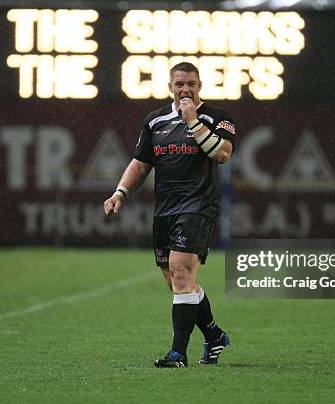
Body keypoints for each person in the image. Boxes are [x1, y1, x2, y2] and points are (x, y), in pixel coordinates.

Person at [103, 62, 235, 367]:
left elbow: (223, 154)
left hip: (199, 206)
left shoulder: (218, 118)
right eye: (179, 84)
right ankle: (214, 335)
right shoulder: (154, 121)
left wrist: (193, 122)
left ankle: (178, 354)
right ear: (170, 87)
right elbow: (140, 164)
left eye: (191, 83)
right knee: (177, 281)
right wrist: (120, 192)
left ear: (200, 85)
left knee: (180, 272)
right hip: (165, 209)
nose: (185, 89)